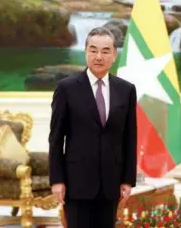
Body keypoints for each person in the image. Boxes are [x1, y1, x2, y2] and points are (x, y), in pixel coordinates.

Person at [48, 27, 137, 228]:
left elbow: (130, 138)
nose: (99, 56)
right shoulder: (66, 88)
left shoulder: (126, 90)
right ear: (85, 52)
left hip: (110, 183)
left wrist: (127, 180)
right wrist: (57, 180)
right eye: (93, 50)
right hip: (76, 183)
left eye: (105, 51)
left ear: (114, 55)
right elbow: (55, 138)